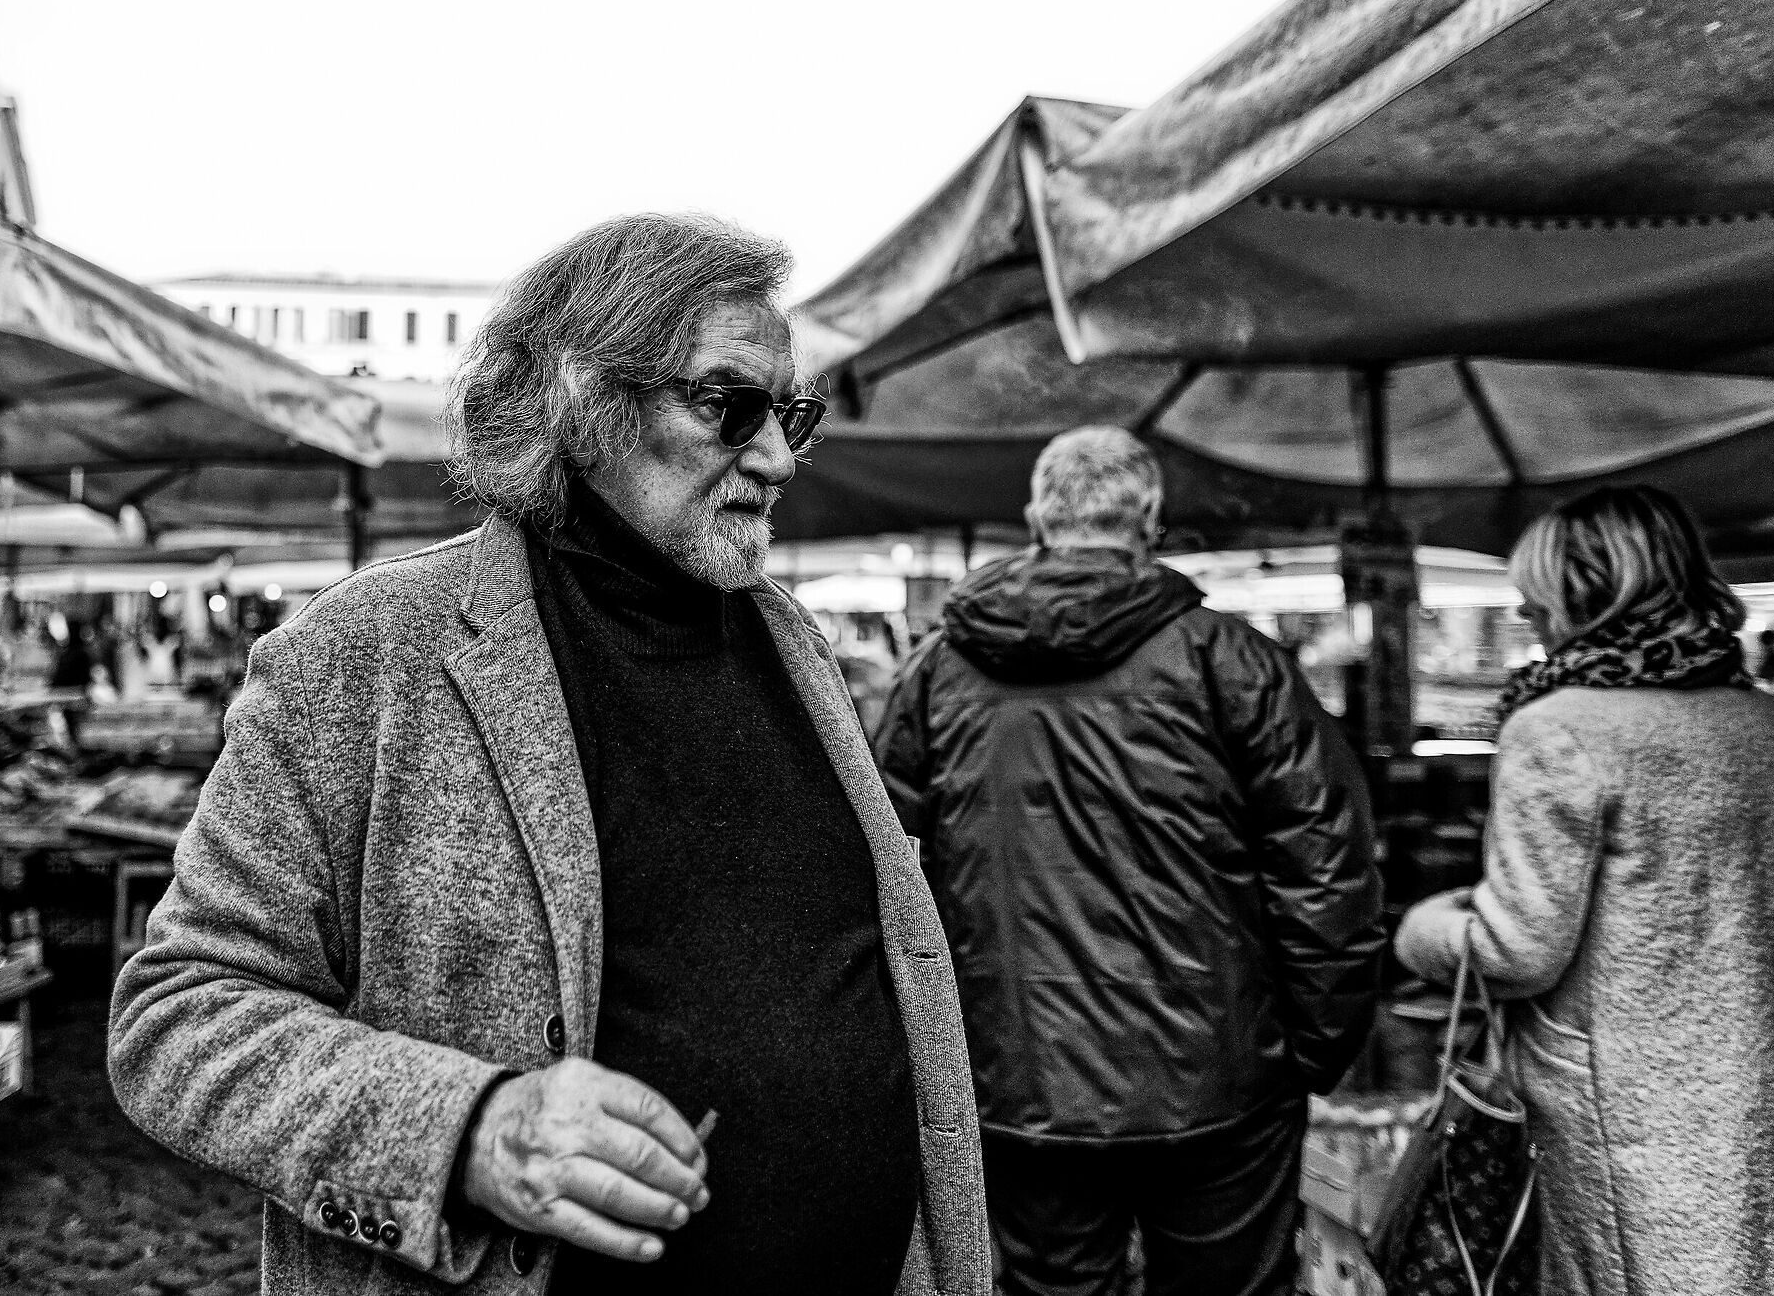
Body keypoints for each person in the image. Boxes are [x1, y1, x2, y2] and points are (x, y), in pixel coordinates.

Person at [110, 213, 988, 1296]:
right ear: (583, 397)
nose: (774, 454)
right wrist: (469, 1130)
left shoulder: (788, 638)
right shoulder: (366, 652)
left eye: (789, 414)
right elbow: (180, 1014)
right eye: (729, 404)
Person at [873, 425, 1383, 1296]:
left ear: (1037, 518)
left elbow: (885, 871)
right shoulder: (1231, 660)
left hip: (1016, 1077)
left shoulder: (934, 674)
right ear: (1149, 518)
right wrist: (1316, 1051)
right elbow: (1327, 868)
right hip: (1221, 1081)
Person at [1395, 485, 1774, 1295]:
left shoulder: (1561, 729)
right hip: (1760, 1079)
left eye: (1535, 596)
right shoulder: (1768, 725)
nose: (1526, 615)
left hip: (1623, 1103)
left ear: (1585, 593)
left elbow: (1518, 950)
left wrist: (1425, 927)